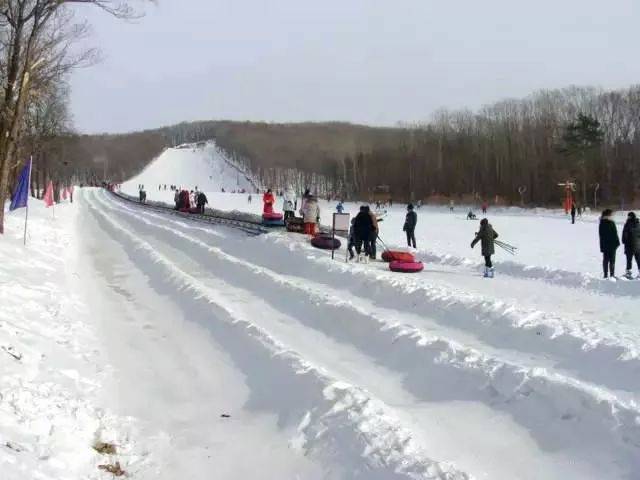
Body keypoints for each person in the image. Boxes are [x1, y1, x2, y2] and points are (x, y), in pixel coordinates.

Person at [599, 208, 620, 279]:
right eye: (611, 214)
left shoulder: (601, 223)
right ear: (609, 215)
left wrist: (602, 245)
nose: (612, 215)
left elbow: (601, 235)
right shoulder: (611, 222)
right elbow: (615, 234)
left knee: (606, 260)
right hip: (612, 245)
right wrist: (617, 243)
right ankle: (612, 275)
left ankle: (605, 275)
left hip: (605, 245)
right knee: (612, 260)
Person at [621, 212, 639, 279]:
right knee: (638, 259)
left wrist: (624, 241)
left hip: (629, 245)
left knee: (629, 260)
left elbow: (624, 235)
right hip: (637, 246)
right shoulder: (638, 224)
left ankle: (628, 273)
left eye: (628, 216)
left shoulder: (627, 224)